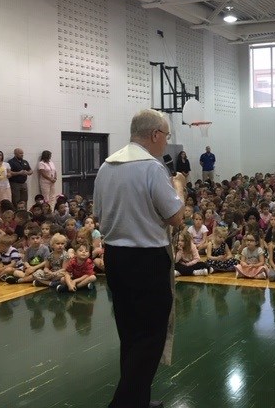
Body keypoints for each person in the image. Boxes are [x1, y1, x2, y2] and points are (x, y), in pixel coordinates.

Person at [93, 108, 185, 408]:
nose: (165, 143)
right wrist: (179, 187)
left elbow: (97, 215)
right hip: (147, 261)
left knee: (130, 335)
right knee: (150, 339)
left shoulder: (107, 166)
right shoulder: (152, 167)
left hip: (116, 259)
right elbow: (175, 218)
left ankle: (140, 402)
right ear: (155, 135)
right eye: (166, 136)